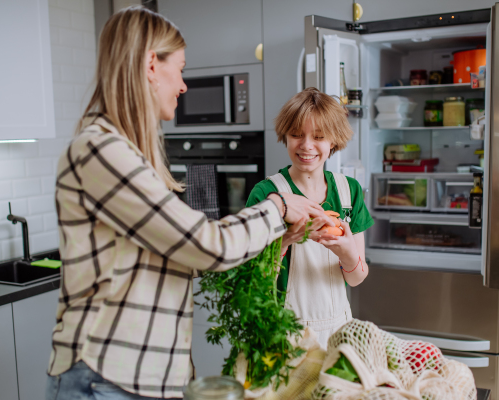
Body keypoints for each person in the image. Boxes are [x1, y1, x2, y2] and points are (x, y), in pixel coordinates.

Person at [45, 7, 334, 400]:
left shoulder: (129, 154)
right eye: (179, 69)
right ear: (150, 64)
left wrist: (277, 243)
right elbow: (205, 245)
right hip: (104, 376)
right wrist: (279, 208)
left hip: (142, 378)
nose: (183, 86)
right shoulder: (99, 151)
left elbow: (179, 258)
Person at [246, 88, 374, 349]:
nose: (306, 145)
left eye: (318, 137)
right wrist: (286, 241)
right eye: (296, 135)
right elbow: (252, 280)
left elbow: (356, 277)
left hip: (337, 329)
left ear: (333, 141)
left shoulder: (349, 192)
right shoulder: (267, 194)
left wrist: (348, 251)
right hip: (282, 332)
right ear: (285, 136)